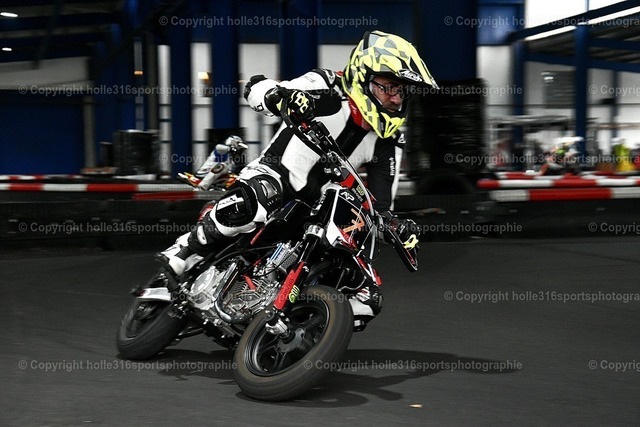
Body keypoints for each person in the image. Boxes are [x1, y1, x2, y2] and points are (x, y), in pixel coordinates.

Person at [157, 30, 437, 322]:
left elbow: (379, 204)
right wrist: (278, 96)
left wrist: (395, 226)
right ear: (364, 76)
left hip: (315, 211)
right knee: (261, 198)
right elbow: (256, 88)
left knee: (367, 294)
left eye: (402, 90)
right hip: (274, 177)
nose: (396, 98)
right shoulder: (326, 85)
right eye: (389, 87)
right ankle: (185, 249)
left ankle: (297, 319)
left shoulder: (390, 140)